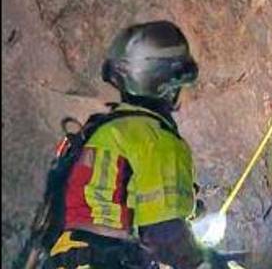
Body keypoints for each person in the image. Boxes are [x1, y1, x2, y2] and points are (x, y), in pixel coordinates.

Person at [42, 21, 233, 269]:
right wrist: (207, 264)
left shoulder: (101, 131)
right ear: (169, 85)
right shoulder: (155, 139)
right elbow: (164, 235)